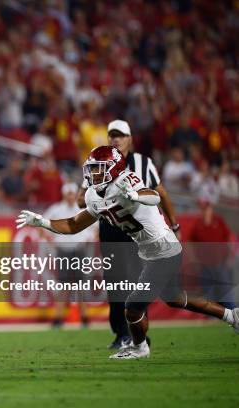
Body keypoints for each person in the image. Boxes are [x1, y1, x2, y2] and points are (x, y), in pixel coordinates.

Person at [17, 145, 239, 359]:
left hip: (164, 248)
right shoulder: (94, 196)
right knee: (174, 298)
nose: (93, 173)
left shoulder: (125, 180)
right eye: (92, 168)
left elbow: (154, 196)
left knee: (132, 307)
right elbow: (74, 225)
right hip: (148, 252)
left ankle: (139, 347)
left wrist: (134, 195)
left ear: (113, 167)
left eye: (98, 167)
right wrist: (42, 221)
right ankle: (232, 316)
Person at [77, 119, 180, 349]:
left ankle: (139, 333)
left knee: (136, 282)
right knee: (114, 283)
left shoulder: (143, 162)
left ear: (130, 139)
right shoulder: (98, 162)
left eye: (120, 135)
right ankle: (121, 332)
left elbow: (159, 192)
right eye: (112, 135)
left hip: (136, 230)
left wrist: (174, 223)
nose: (115, 139)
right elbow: (79, 199)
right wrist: (98, 198)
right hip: (111, 228)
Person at [43, 183, 97, 328]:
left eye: (72, 193)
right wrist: (52, 242)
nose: (70, 196)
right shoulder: (56, 210)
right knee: (63, 285)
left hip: (79, 248)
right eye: (68, 193)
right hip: (63, 250)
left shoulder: (83, 209)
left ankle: (84, 317)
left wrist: (89, 240)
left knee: (81, 285)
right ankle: (59, 317)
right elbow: (43, 227)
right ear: (64, 194)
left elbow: (95, 228)